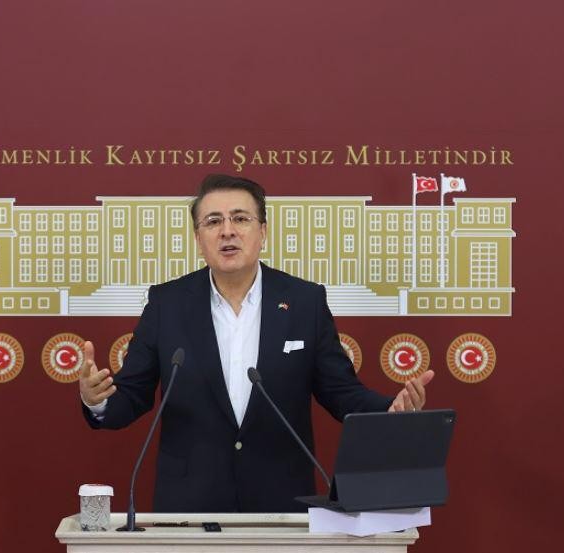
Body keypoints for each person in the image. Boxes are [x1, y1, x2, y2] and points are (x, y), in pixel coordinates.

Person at [80, 174, 434, 513]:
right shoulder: (167, 304)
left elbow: (340, 391)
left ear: (262, 232)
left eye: (240, 219)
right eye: (213, 221)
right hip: (190, 504)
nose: (227, 231)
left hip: (281, 503)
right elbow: (133, 395)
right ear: (198, 239)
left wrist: (390, 411)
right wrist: (98, 401)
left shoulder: (304, 301)